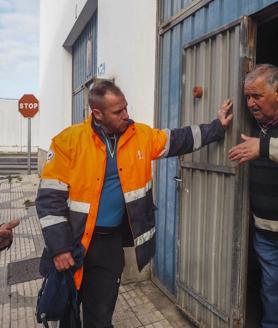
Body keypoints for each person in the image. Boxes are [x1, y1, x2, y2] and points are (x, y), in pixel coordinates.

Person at [36, 80, 233, 328]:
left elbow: (177, 139)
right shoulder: (69, 141)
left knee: (100, 316)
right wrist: (59, 248)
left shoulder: (139, 135)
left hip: (109, 245)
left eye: (126, 108)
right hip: (73, 243)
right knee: (68, 313)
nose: (126, 115)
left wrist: (217, 128)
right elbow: (48, 199)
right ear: (97, 113)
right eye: (118, 111)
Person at [229, 64, 278, 328]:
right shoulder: (258, 125)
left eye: (256, 96)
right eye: (247, 97)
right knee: (270, 289)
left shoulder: (263, 136)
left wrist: (263, 147)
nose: (250, 103)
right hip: (265, 231)